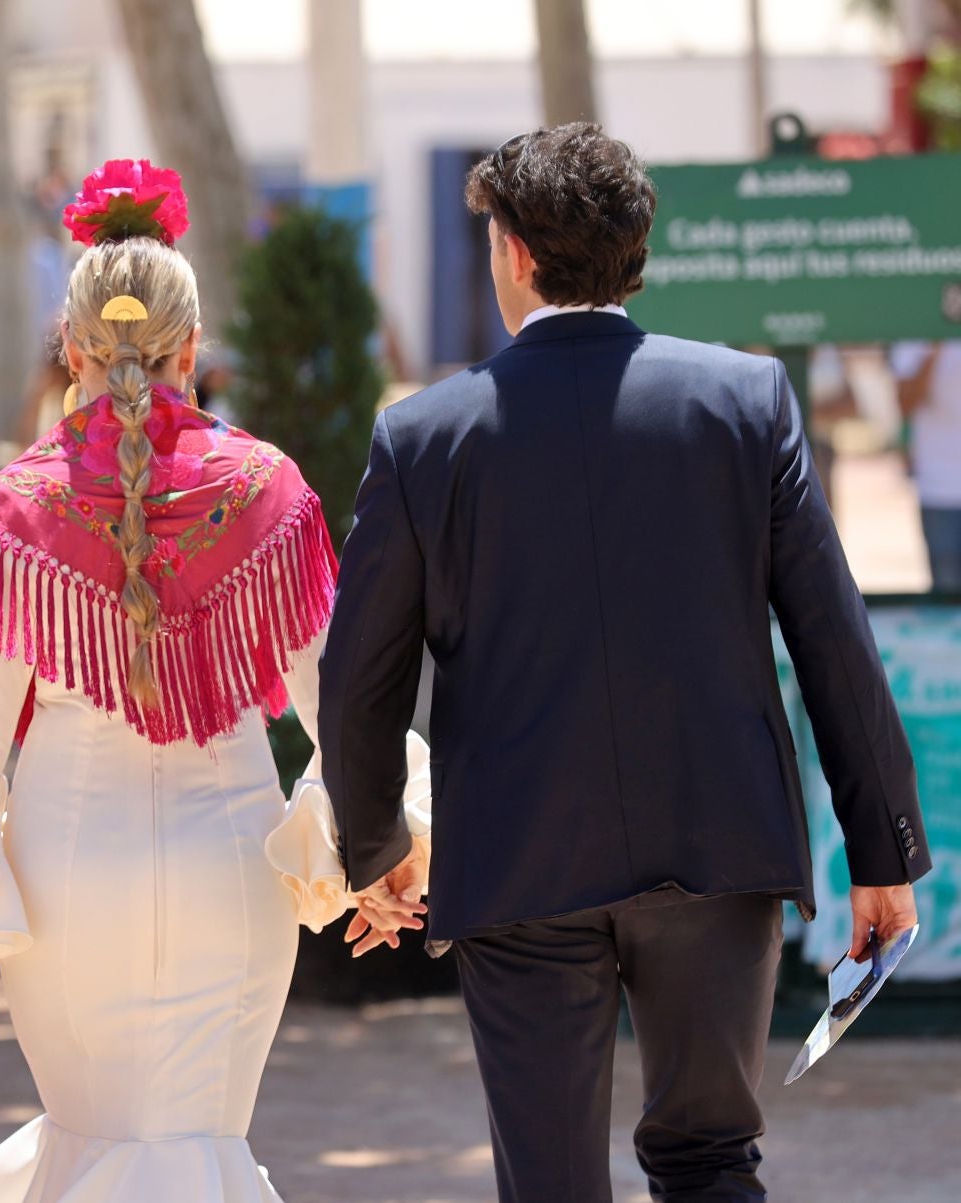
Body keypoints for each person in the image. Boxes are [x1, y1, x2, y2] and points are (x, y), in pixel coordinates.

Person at [318, 124, 929, 1203]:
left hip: (517, 863)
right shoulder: (746, 404)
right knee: (711, 1164)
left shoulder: (424, 436)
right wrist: (884, 850)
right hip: (718, 843)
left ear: (510, 253)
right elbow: (834, 638)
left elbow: (360, 676)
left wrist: (376, 851)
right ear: (634, 251)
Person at [0, 159, 416, 1201]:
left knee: (95, 1142)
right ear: (193, 349)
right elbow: (346, 720)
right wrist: (381, 855)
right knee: (202, 1146)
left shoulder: (18, 508)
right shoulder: (270, 491)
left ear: (71, 349)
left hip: (69, 883)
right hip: (233, 879)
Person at [891, 339, 961, 592]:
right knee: (947, 592)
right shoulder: (916, 338)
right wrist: (934, 350)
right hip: (939, 487)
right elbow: (905, 402)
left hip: (938, 486)